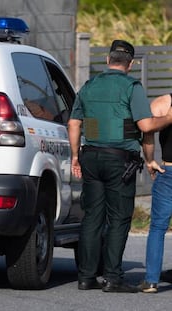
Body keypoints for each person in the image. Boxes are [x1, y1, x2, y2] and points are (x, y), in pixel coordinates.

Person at [68, 39, 172, 293]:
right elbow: (145, 126)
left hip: (90, 155)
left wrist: (74, 156)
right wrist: (168, 117)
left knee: (92, 217)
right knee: (119, 217)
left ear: (107, 60)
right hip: (119, 160)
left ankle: (86, 277)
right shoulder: (131, 86)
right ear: (131, 63)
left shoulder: (89, 86)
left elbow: (74, 124)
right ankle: (112, 278)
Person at [139, 94, 172, 293]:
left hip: (168, 171)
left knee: (158, 227)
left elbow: (148, 131)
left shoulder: (163, 103)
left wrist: (149, 159)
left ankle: (151, 280)